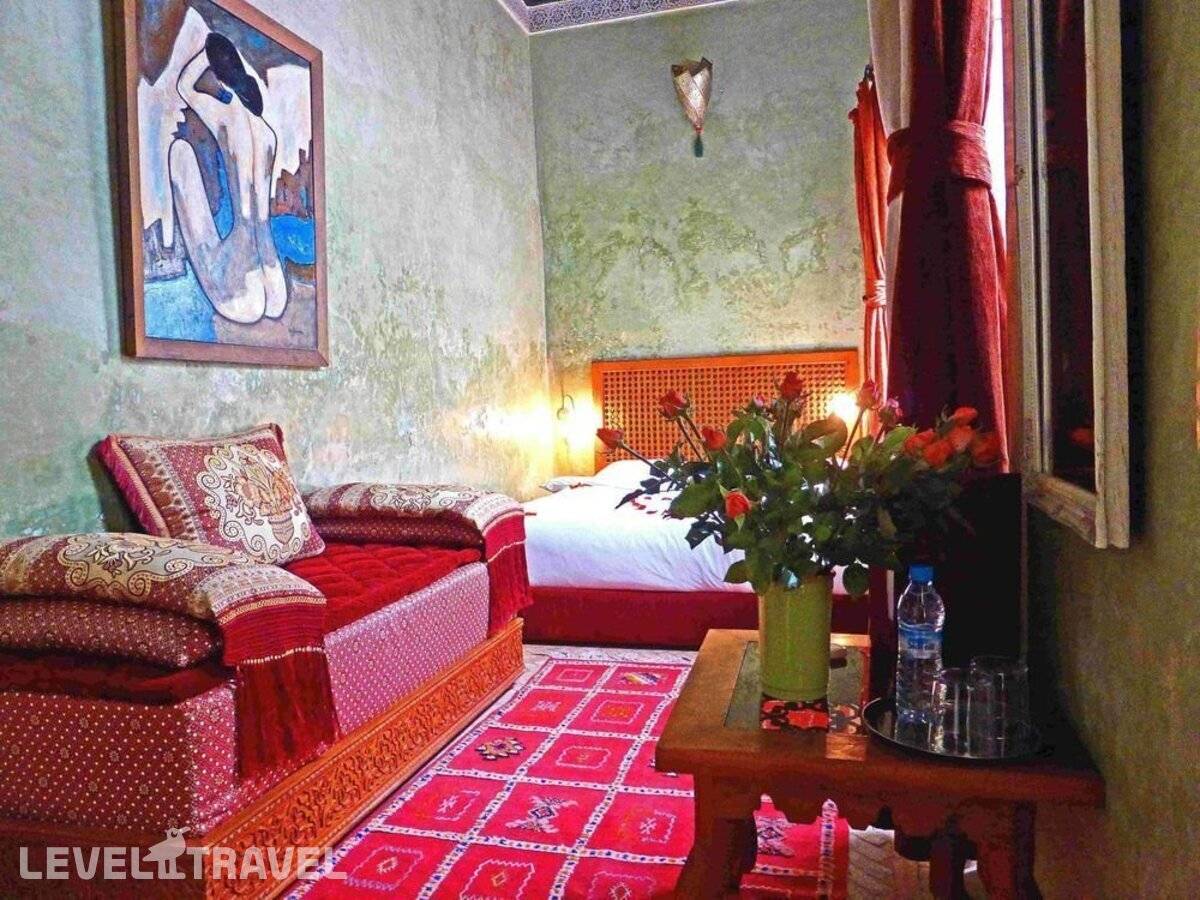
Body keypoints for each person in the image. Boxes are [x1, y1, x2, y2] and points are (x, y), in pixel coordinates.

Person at [168, 32, 287, 324]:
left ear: (221, 75)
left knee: (178, 153)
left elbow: (184, 85)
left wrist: (207, 54)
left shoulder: (224, 115)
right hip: (274, 280)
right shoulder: (267, 133)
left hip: (240, 279)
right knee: (259, 227)